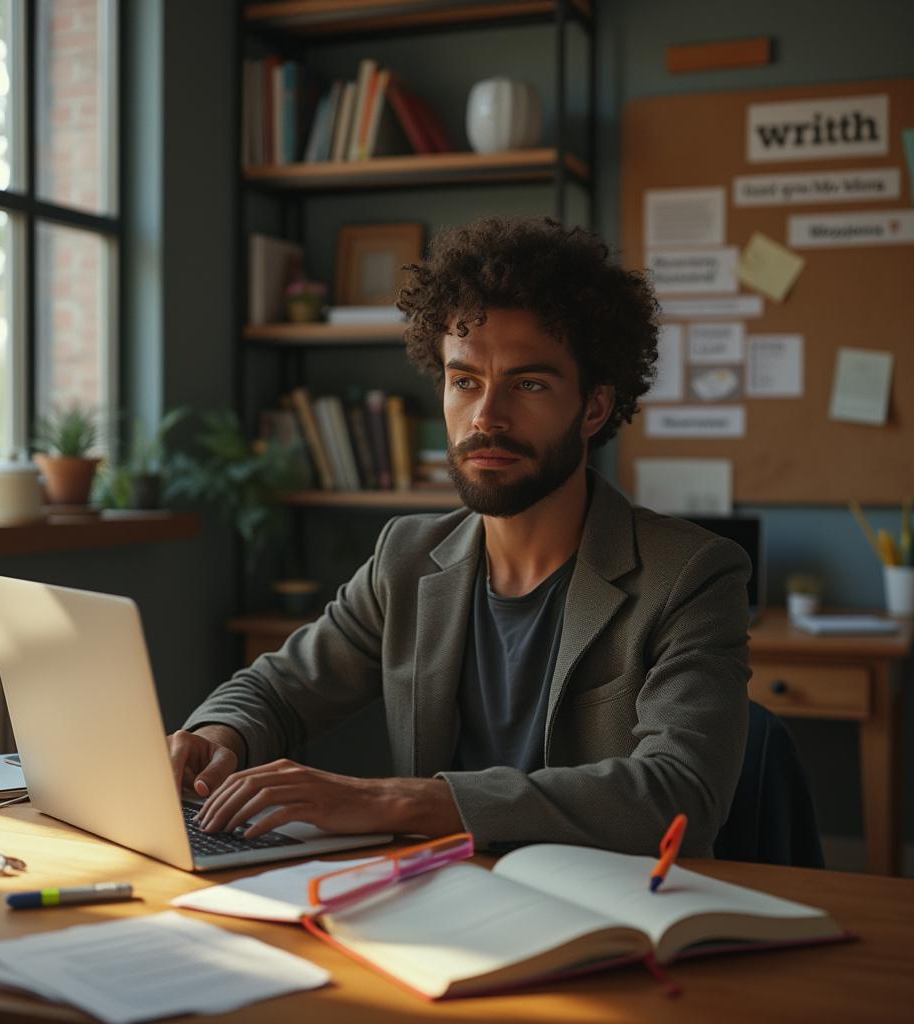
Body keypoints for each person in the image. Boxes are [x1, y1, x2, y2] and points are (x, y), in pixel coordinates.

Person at [169, 216, 751, 857]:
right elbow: (278, 689)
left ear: (593, 407)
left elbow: (681, 794)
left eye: (528, 385)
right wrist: (216, 735)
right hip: (438, 899)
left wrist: (395, 802)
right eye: (464, 381)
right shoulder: (407, 559)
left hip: (606, 911)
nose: (486, 418)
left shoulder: (690, 574)